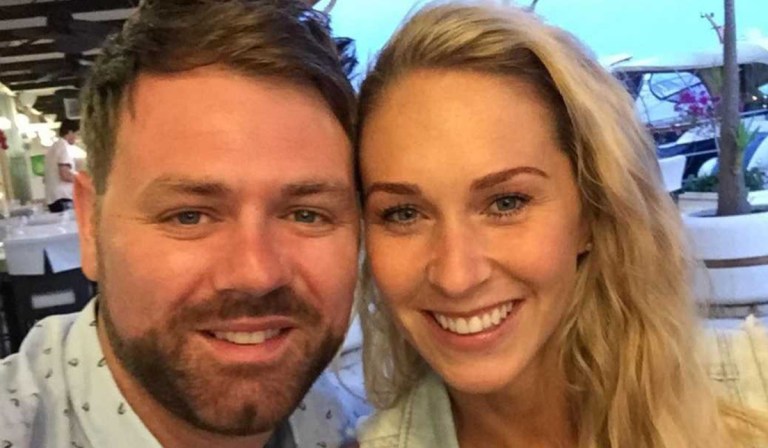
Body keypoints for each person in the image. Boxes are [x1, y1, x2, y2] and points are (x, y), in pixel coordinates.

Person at [355, 3, 768, 447]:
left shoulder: (756, 389)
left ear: (591, 210)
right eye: (403, 213)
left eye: (506, 203)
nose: (456, 277)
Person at [0, 0, 367, 447]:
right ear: (90, 224)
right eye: (188, 215)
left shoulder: (362, 428)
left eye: (306, 214)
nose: (256, 274)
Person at [44, 119, 79, 212]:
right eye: (77, 134)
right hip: (63, 198)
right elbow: (65, 174)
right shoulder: (64, 147)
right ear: (70, 132)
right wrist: (82, 181)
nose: (77, 138)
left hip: (53, 198)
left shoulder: (53, 148)